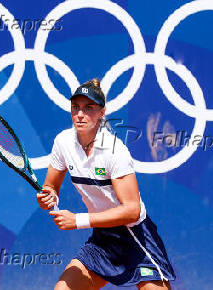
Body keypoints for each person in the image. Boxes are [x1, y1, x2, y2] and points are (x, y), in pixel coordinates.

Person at [37, 78, 175, 289]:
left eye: (89, 108)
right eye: (76, 107)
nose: (80, 114)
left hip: (136, 237)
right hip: (103, 239)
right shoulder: (63, 143)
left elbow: (132, 210)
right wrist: (48, 197)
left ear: (102, 113)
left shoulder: (114, 151)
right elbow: (50, 188)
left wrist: (78, 220)